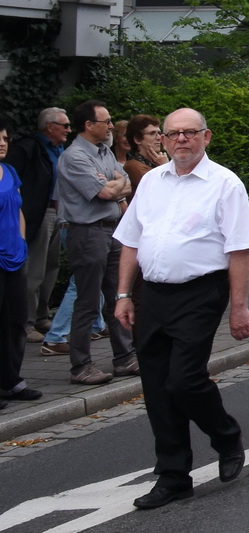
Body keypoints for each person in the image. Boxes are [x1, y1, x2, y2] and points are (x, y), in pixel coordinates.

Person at [112, 108, 249, 510]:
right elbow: (131, 241)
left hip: (200, 293)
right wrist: (124, 294)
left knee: (185, 381)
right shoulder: (152, 182)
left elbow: (239, 249)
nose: (180, 140)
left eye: (189, 133)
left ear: (205, 137)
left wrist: (240, 308)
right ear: (163, 139)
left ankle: (226, 435)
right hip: (153, 295)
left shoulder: (225, 184)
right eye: (172, 134)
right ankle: (174, 475)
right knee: (157, 388)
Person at [59, 100, 135, 385]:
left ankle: (125, 358)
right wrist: (112, 185)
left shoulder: (104, 152)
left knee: (119, 296)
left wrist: (112, 184)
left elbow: (124, 182)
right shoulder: (74, 156)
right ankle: (81, 366)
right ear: (89, 125)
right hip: (87, 232)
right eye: (106, 121)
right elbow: (104, 193)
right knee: (88, 301)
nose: (112, 125)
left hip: (112, 229)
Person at [5, 107, 68, 337]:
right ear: (50, 126)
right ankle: (27, 322)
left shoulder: (60, 149)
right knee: (35, 269)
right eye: (65, 125)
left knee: (52, 267)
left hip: (58, 212)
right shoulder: (29, 148)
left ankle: (42, 316)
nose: (69, 130)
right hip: (38, 214)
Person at [0, 121, 42, 406]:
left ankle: (11, 380)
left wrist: (22, 240)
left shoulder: (10, 171)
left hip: (16, 257)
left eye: (4, 138)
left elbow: (19, 209)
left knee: (17, 322)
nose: (3, 143)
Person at [123, 115, 167, 189]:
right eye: (152, 133)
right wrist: (165, 167)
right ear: (137, 139)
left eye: (159, 133)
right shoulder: (133, 166)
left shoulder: (153, 162)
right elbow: (161, 190)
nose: (159, 138)